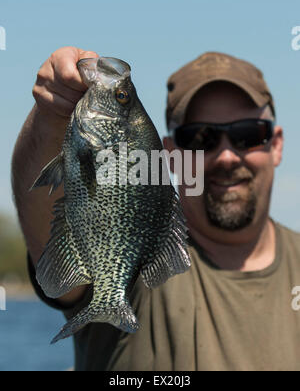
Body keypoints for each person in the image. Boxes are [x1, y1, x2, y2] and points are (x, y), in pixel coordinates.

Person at [11, 48, 300, 371]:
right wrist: (48, 116)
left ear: (275, 144)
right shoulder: (142, 270)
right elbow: (38, 209)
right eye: (202, 137)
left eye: (248, 135)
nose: (227, 157)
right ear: (171, 154)